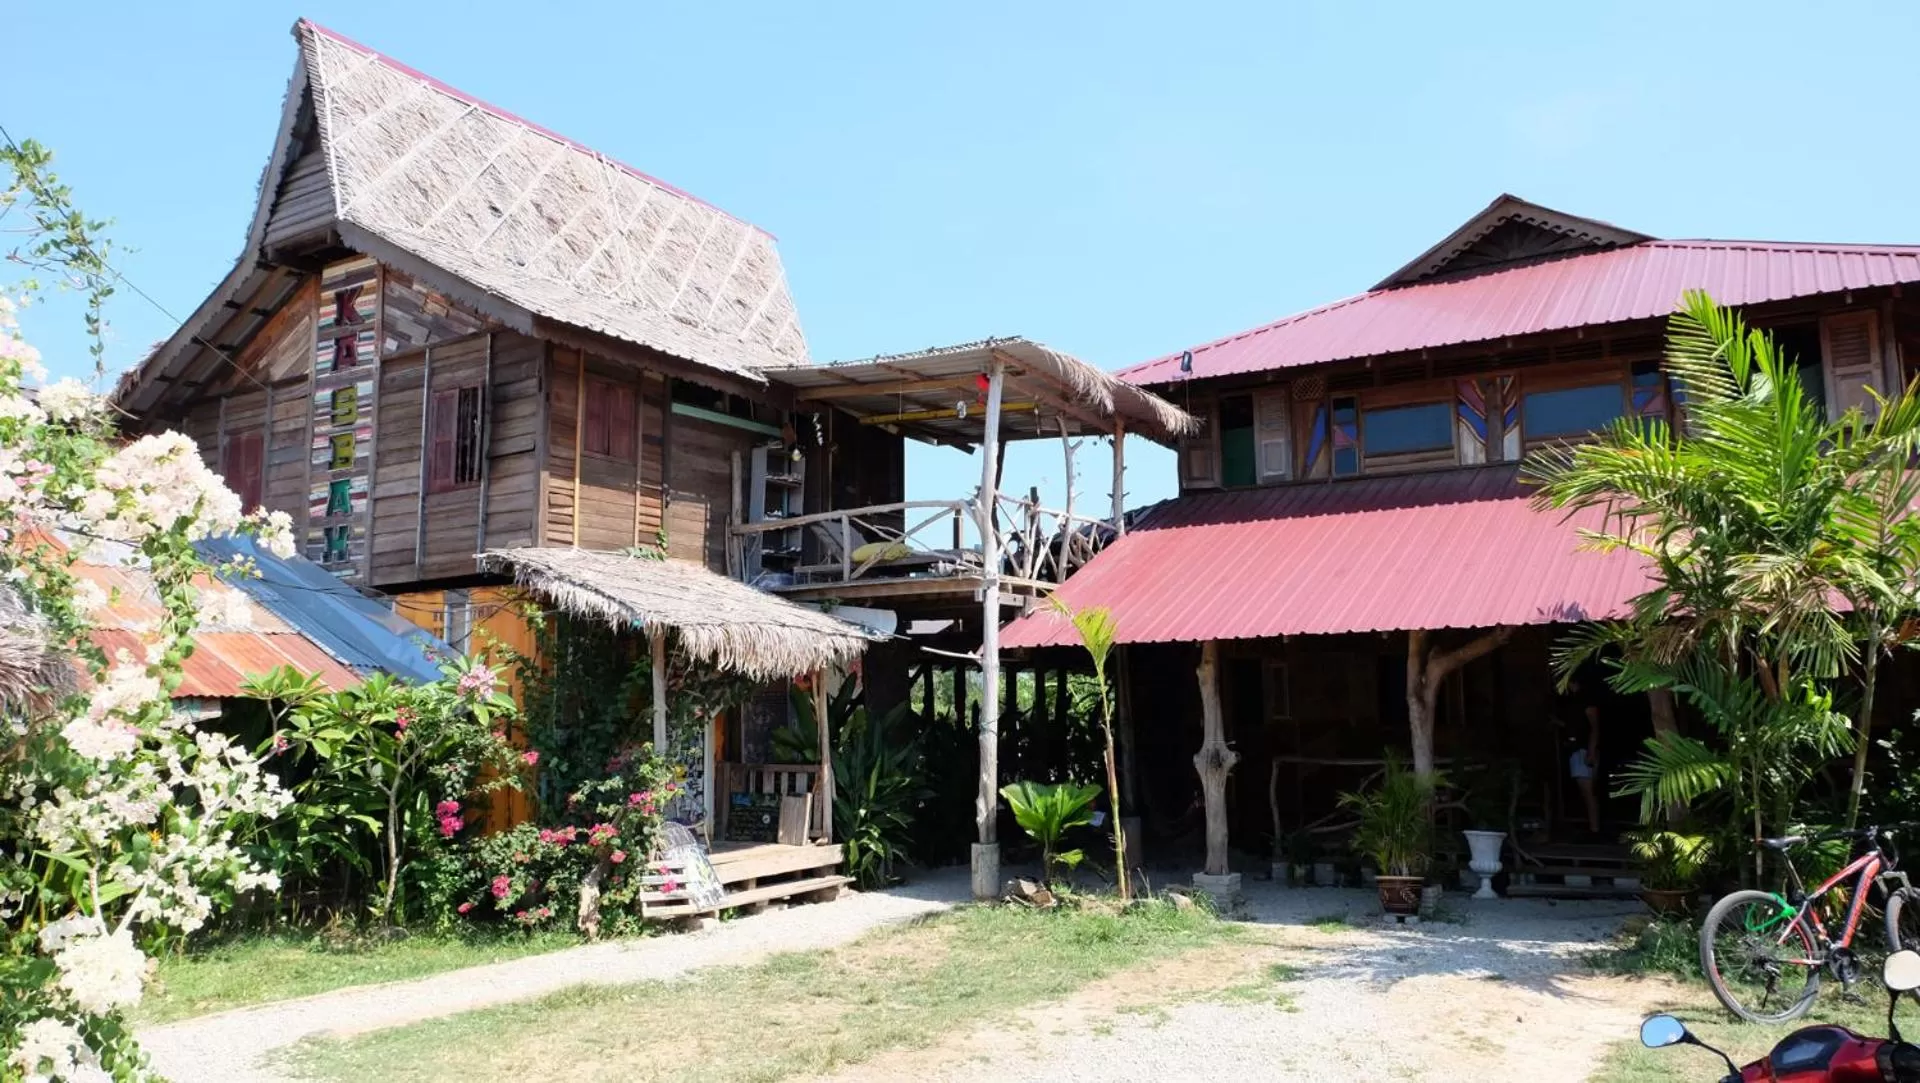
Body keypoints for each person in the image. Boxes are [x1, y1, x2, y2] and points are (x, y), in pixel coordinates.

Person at [1562, 675, 1603, 836]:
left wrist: (1592, 751)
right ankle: (1592, 826)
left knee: (1589, 791)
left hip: (1584, 750)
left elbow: (1595, 727)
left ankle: (1595, 829)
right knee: (1585, 790)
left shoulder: (1586, 700)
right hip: (1577, 749)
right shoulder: (1574, 701)